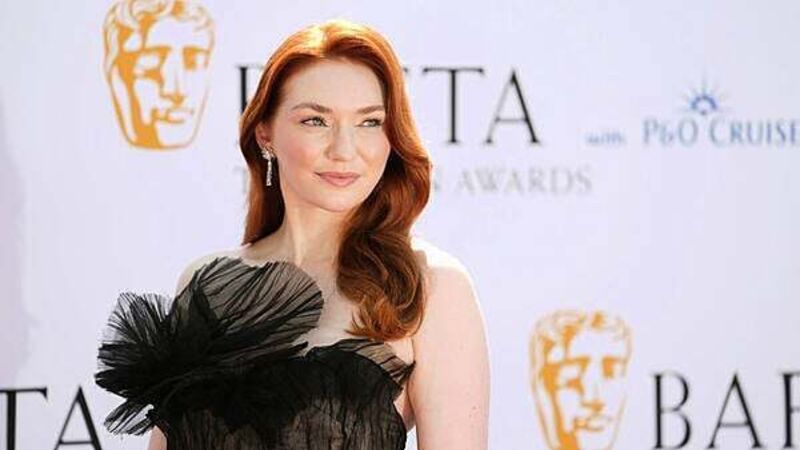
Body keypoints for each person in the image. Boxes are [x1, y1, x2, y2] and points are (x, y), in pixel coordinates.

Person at [94, 17, 490, 450]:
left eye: (370, 122)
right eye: (316, 121)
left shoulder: (430, 285)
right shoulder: (207, 281)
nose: (344, 150)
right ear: (265, 133)